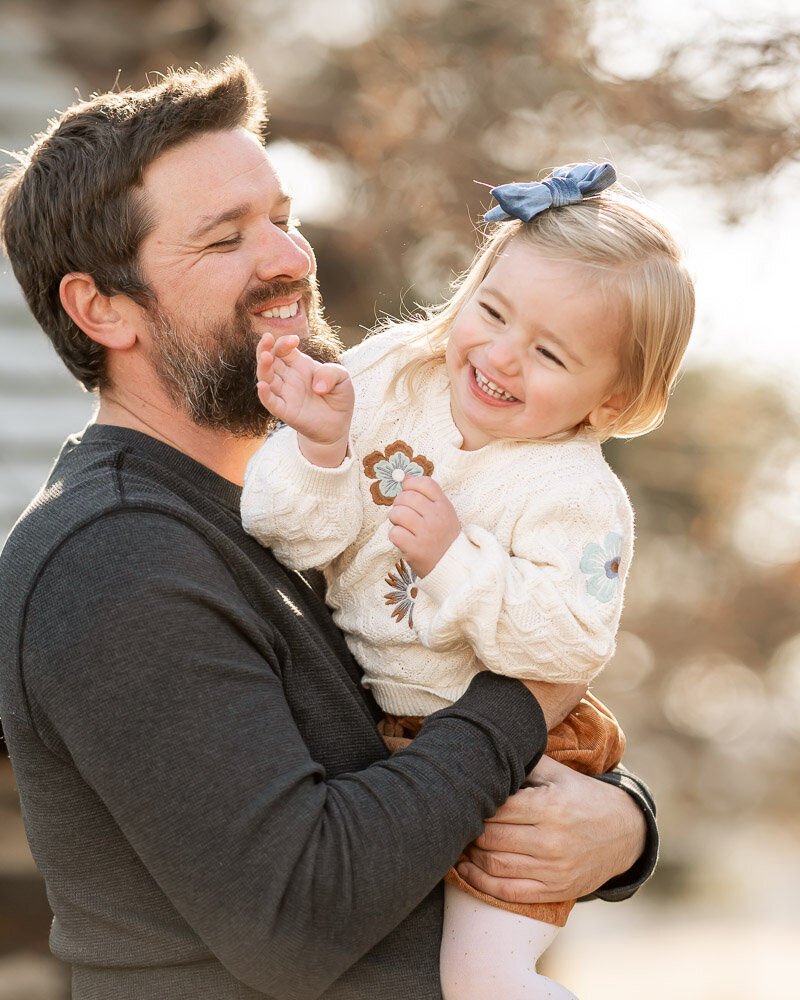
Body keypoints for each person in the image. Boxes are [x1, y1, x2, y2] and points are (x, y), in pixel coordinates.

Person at [0, 58, 657, 1000]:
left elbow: (416, 738)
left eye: (282, 217)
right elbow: (295, 914)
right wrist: (527, 703)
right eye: (226, 238)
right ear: (102, 308)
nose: (289, 259)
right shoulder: (109, 557)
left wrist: (623, 828)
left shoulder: (303, 508)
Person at [241, 162, 694, 1000]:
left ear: (610, 398)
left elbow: (572, 642)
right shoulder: (390, 377)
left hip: (528, 753)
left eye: (551, 353)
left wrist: (457, 565)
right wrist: (321, 448)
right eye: (492, 311)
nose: (501, 356)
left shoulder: (576, 493)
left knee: (483, 980)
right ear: (474, 283)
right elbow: (288, 534)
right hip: (386, 734)